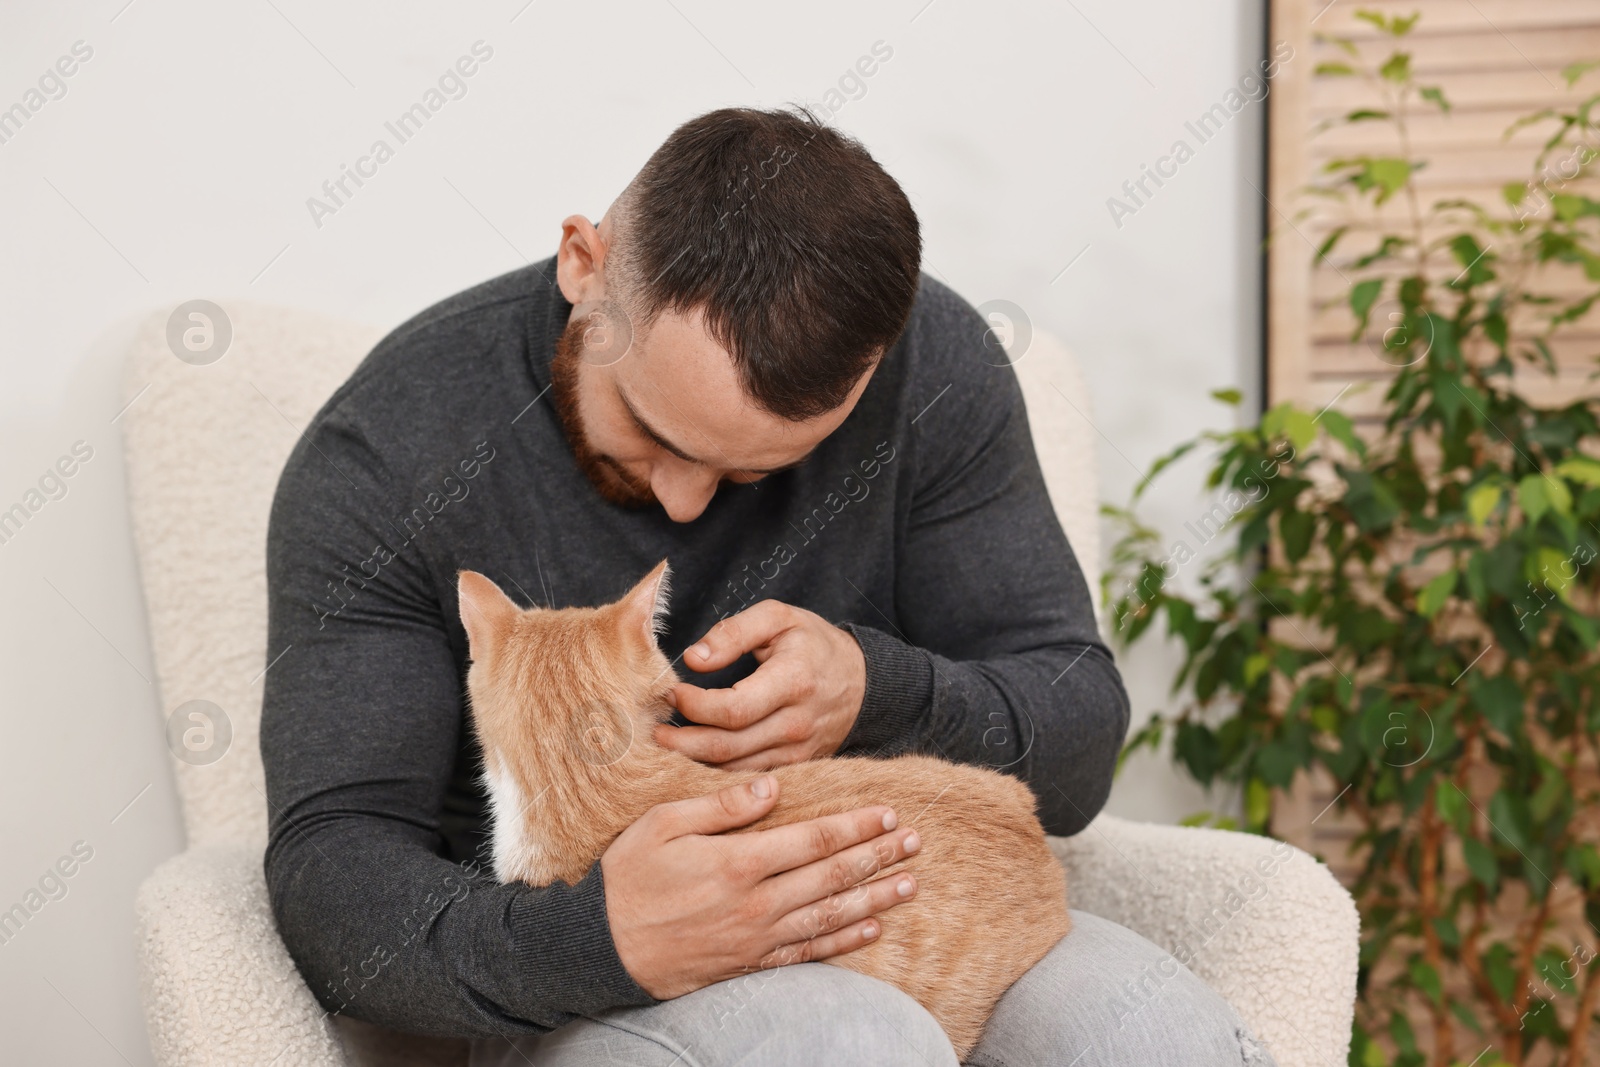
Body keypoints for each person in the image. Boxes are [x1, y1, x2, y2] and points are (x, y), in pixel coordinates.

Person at [261, 106, 1277, 1066]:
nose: (688, 505)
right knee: (849, 1042)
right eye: (653, 433)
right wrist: (601, 935)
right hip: (578, 970)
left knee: (1157, 1038)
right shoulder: (392, 451)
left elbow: (1078, 751)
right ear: (585, 263)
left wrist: (880, 690)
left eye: (756, 470)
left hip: (901, 906)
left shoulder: (938, 369)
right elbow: (331, 878)